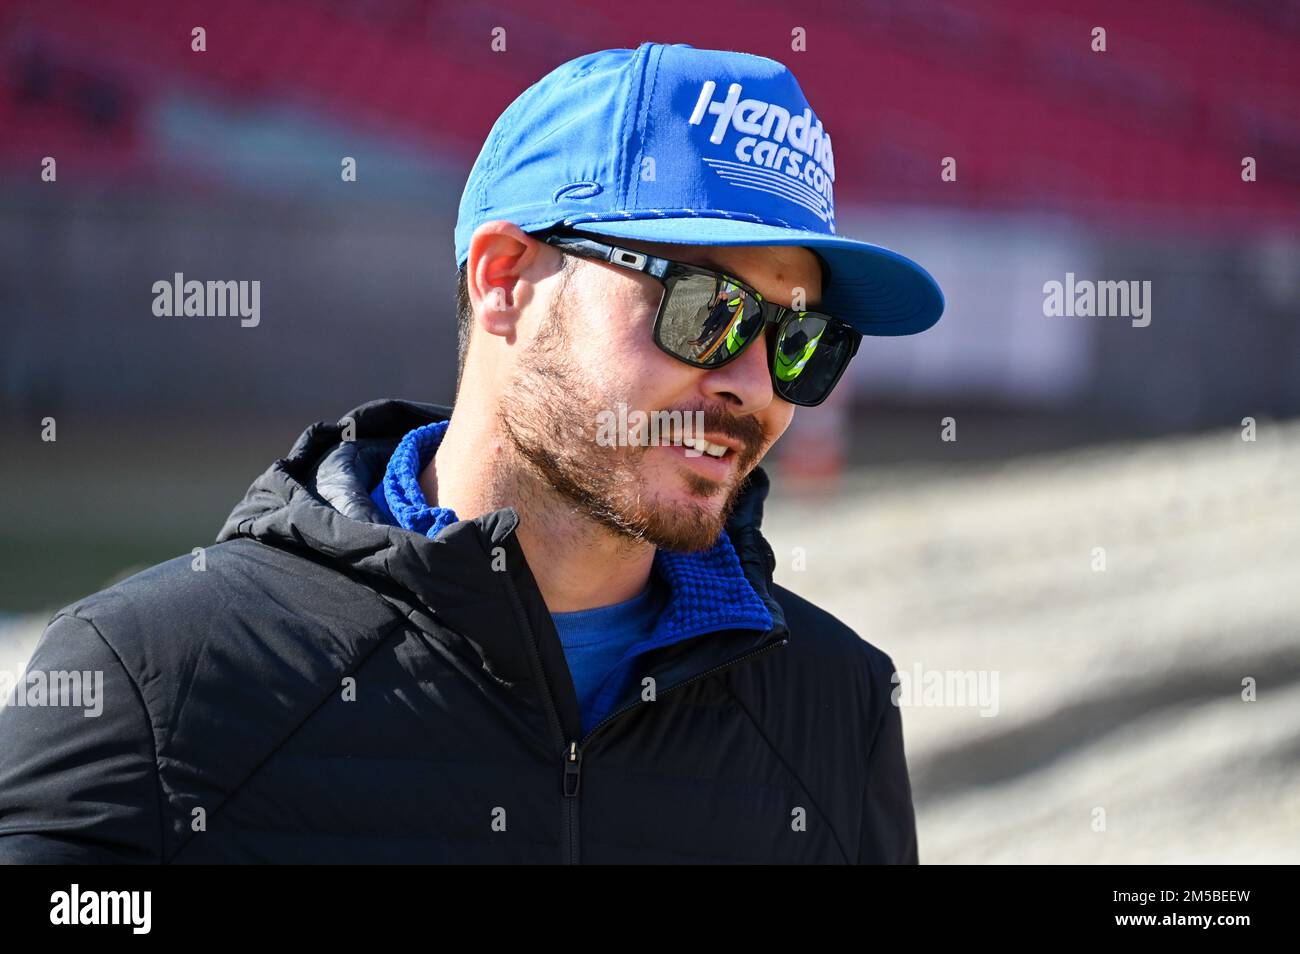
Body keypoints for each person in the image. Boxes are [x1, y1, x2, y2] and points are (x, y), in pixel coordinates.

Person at [0, 42, 942, 863]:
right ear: (504, 282)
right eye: (709, 309)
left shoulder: (839, 705)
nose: (755, 386)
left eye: (800, 342)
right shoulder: (156, 675)